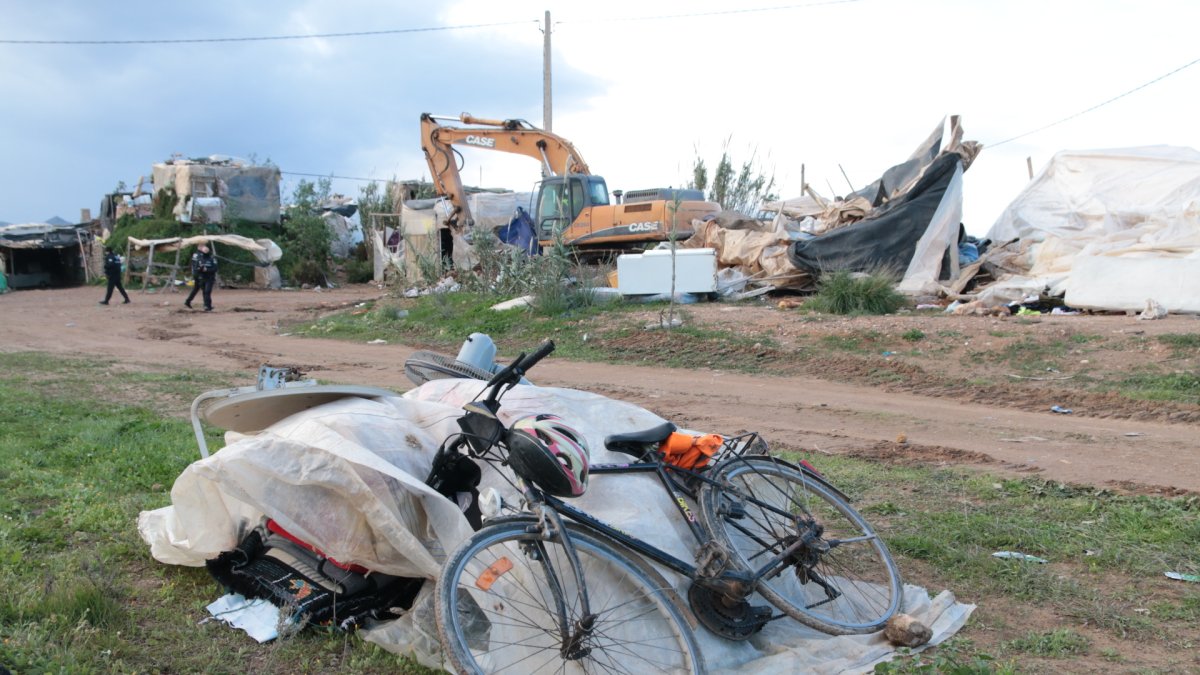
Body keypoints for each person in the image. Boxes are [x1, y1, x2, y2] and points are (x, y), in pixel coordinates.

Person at [185, 244, 218, 311]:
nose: (203, 247)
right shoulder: (198, 255)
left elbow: (215, 267)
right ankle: (206, 305)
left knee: (201, 289)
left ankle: (205, 304)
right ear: (199, 247)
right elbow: (195, 265)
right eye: (201, 246)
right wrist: (199, 271)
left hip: (204, 275)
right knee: (202, 289)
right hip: (198, 274)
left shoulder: (209, 257)